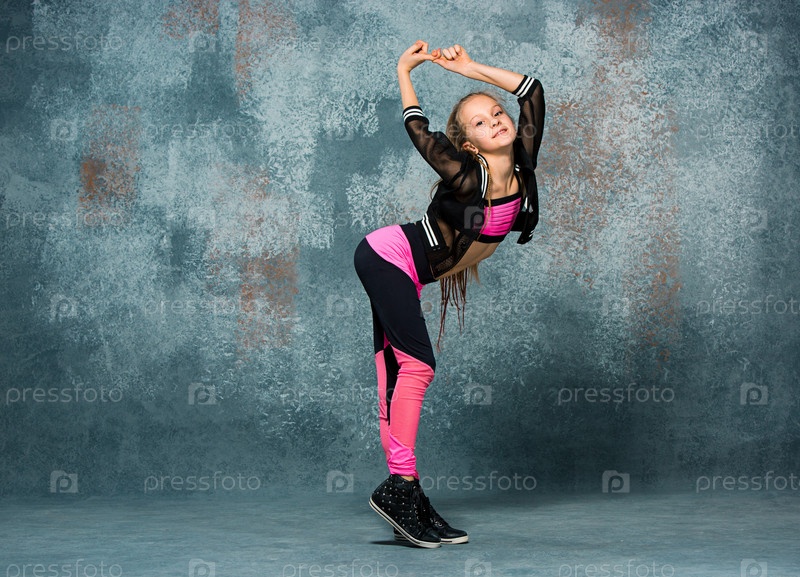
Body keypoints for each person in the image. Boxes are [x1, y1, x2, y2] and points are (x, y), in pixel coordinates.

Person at [353, 40, 545, 548]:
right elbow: (419, 130)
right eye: (480, 122)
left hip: (408, 273)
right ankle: (400, 487)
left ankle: (406, 492)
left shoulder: (522, 164)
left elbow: (531, 91)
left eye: (497, 113)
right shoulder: (464, 174)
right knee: (417, 368)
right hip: (387, 256)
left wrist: (470, 70)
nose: (496, 121)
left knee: (395, 376)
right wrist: (404, 70)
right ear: (470, 145)